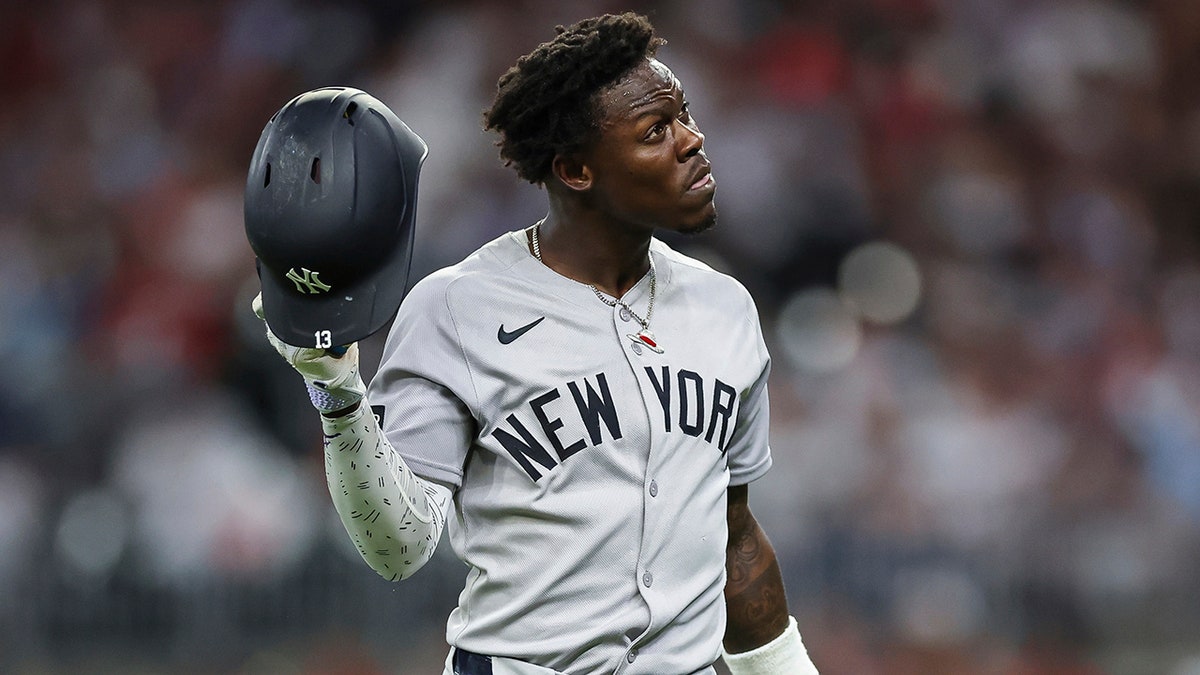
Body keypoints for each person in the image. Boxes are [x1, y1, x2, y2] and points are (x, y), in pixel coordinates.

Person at [254, 12, 819, 675]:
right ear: (577, 170)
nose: (693, 141)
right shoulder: (458, 307)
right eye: (656, 131)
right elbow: (398, 546)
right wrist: (339, 392)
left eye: (685, 117)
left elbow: (734, 533)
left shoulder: (726, 307)